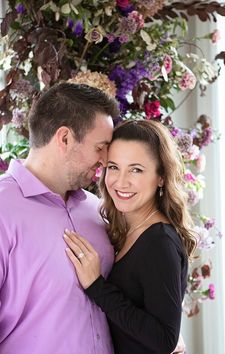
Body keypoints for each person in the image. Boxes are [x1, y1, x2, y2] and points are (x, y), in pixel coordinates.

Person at [0, 82, 120, 353]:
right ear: (65, 138)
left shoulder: (98, 210)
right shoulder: (2, 211)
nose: (105, 160)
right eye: (100, 147)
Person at [63, 120, 196, 354]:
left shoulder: (159, 241)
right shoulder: (126, 228)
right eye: (113, 167)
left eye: (136, 169)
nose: (120, 181)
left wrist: (97, 286)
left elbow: (165, 340)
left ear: (161, 177)